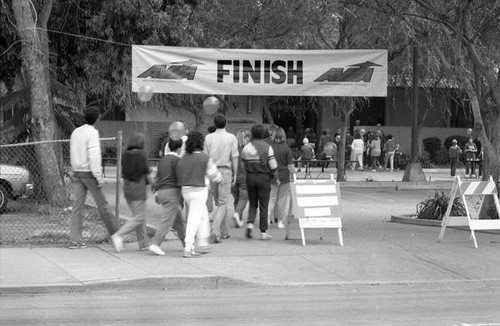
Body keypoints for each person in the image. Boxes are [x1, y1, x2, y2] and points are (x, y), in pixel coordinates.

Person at [69, 107, 118, 249]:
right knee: (103, 206)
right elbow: (94, 154)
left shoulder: (75, 132)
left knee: (77, 208)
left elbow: (73, 152)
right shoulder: (93, 133)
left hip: (77, 172)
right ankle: (116, 237)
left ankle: (75, 240)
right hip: (89, 173)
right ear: (97, 119)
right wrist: (98, 175)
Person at [176, 131, 222, 258]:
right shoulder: (204, 157)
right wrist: (219, 177)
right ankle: (188, 247)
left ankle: (203, 242)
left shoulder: (183, 157)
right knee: (194, 218)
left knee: (203, 215)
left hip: (185, 191)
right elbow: (214, 174)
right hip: (199, 191)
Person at [111, 132, 151, 253]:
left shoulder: (125, 154)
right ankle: (118, 235)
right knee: (139, 217)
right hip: (138, 187)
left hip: (127, 187)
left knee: (139, 216)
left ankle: (143, 243)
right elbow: (146, 172)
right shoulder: (141, 154)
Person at [204, 114, 239, 244]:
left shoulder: (208, 137)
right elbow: (234, 157)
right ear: (226, 123)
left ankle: (224, 231)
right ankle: (215, 230)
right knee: (223, 203)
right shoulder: (231, 137)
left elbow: (205, 156)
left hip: (212, 170)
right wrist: (235, 174)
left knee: (219, 204)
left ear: (214, 123)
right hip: (225, 170)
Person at [148, 139, 186, 256]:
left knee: (178, 220)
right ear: (179, 148)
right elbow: (180, 177)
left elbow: (158, 176)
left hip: (162, 191)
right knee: (167, 220)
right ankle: (155, 243)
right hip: (172, 193)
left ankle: (187, 243)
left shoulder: (163, 160)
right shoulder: (177, 160)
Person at [241, 124, 279, 240]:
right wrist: (276, 178)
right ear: (263, 134)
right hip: (264, 178)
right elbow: (273, 165)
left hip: (251, 178)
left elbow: (243, 165)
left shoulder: (246, 147)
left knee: (253, 204)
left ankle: (250, 224)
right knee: (264, 205)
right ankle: (263, 232)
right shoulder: (267, 147)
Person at [268, 128, 295, 229]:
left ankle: (267, 217)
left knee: (271, 198)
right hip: (284, 177)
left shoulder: (270, 147)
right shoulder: (287, 148)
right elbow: (290, 166)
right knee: (282, 200)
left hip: (272, 176)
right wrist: (294, 173)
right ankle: (280, 221)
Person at [232, 130, 250, 228]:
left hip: (233, 175)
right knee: (243, 198)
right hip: (244, 176)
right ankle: (238, 215)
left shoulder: (232, 149)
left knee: (236, 198)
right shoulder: (247, 149)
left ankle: (239, 219)